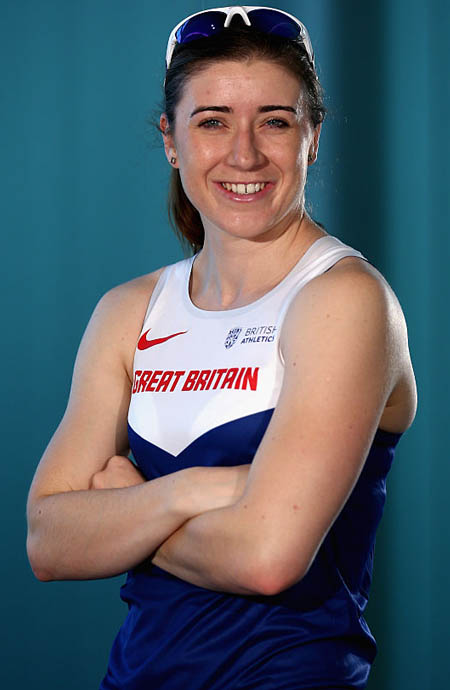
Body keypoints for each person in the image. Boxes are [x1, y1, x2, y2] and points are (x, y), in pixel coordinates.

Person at [26, 6, 417, 689]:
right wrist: (195, 490)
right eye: (212, 122)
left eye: (275, 121)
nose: (244, 155)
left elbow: (268, 558)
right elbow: (48, 541)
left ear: (312, 137)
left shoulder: (344, 300)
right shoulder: (129, 311)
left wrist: (130, 509)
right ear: (171, 141)